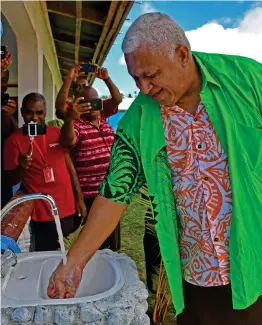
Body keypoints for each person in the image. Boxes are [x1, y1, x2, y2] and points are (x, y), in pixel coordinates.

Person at [47, 13, 262, 325]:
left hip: (255, 258)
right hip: (196, 276)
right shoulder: (140, 117)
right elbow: (116, 191)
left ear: (182, 55)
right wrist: (74, 262)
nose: (144, 89)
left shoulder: (247, 80)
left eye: (151, 75)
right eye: (135, 79)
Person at [4, 93, 87, 251]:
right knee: (47, 257)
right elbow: (10, 180)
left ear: (45, 112)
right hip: (43, 213)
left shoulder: (56, 132)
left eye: (39, 112)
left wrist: (80, 198)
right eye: (29, 112)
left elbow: (70, 166)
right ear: (22, 112)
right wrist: (21, 166)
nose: (34, 117)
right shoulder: (13, 141)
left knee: (71, 253)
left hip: (68, 207)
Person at [59, 85, 121, 251]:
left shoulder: (104, 120)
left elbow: (117, 99)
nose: (91, 105)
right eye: (86, 102)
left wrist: (106, 79)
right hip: (90, 197)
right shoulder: (77, 125)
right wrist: (69, 120)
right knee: (92, 245)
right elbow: (68, 141)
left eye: (95, 101)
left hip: (110, 194)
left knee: (111, 244)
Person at [55, 64, 122, 120]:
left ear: (90, 88)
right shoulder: (72, 109)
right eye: (77, 86)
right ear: (73, 91)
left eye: (85, 86)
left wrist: (107, 79)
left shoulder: (98, 106)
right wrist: (69, 78)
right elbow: (60, 106)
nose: (81, 88)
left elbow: (117, 100)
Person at [1, 49, 18, 207]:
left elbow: (12, 140)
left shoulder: (5, 112)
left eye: (4, 80)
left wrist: (8, 118)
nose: (2, 84)